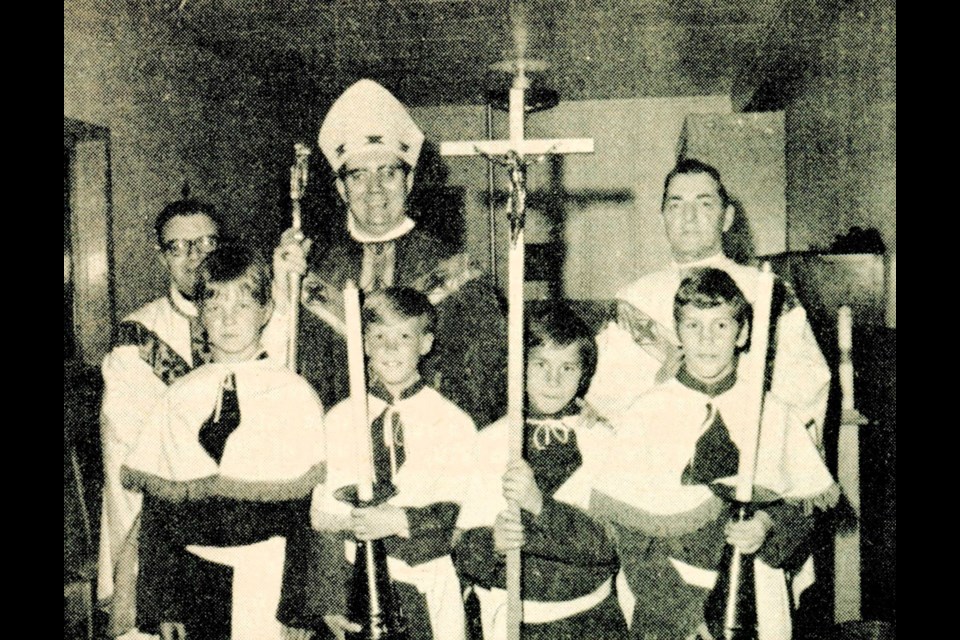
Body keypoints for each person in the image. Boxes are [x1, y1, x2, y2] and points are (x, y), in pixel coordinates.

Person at [590, 268, 839, 640]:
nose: (706, 339)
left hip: (755, 592)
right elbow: (628, 534)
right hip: (669, 603)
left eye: (721, 326)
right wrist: (688, 617)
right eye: (693, 326)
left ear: (743, 334)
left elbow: (806, 508)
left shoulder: (770, 412)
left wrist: (767, 526)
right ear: (678, 334)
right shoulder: (646, 413)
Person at [268, 78, 507, 428]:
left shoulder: (459, 274)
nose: (374, 189)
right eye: (358, 175)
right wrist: (283, 294)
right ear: (341, 188)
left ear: (408, 181)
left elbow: (489, 382)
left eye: (388, 172)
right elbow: (288, 379)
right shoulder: (311, 276)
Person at [121, 244, 326, 640]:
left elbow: (308, 510)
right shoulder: (178, 396)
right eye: (215, 308)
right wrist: (164, 602)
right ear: (200, 317)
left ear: (266, 312)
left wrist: (299, 607)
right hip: (194, 579)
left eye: (243, 306)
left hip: (268, 571)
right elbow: (159, 510)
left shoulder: (293, 394)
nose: (229, 320)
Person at [587, 159, 830, 452]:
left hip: (750, 455)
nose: (688, 217)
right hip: (656, 455)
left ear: (727, 218)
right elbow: (602, 393)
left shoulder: (766, 291)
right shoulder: (633, 300)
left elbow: (807, 383)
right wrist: (658, 387)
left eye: (704, 204)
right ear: (662, 217)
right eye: (676, 205)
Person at [309, 287, 476, 640]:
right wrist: (330, 599)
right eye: (379, 336)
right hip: (355, 579)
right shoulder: (340, 419)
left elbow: (462, 511)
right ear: (363, 344)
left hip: (426, 579)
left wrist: (399, 519)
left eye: (404, 336)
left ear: (426, 343)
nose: (390, 348)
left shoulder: (452, 422)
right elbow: (324, 516)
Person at [455, 302, 628, 640]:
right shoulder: (491, 441)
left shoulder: (601, 440)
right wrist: (492, 542)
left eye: (567, 368)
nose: (552, 379)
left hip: (590, 620)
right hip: (510, 620)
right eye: (540, 364)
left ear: (584, 375)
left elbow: (610, 545)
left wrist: (539, 506)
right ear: (519, 367)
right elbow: (461, 547)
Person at [98, 198, 222, 638]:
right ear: (161, 255)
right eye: (180, 246)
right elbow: (127, 455)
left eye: (207, 243)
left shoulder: (248, 324)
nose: (196, 258)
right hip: (164, 524)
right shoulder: (136, 340)